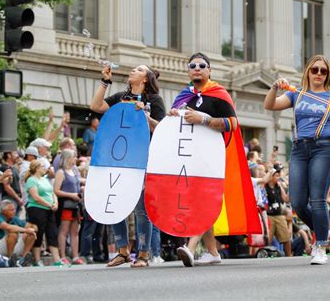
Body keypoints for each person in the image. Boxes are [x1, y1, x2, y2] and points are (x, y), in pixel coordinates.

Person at [264, 54, 330, 265]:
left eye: (323, 71)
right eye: (315, 69)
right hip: (300, 148)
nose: (319, 74)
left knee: (317, 198)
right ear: (308, 71)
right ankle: (321, 229)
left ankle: (320, 245)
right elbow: (270, 105)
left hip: (324, 147)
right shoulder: (297, 94)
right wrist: (275, 88)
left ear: (327, 75)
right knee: (298, 202)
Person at [90, 63, 165, 267]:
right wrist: (105, 82)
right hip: (118, 159)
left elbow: (162, 129)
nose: (133, 70)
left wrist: (145, 115)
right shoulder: (120, 97)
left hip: (142, 159)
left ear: (145, 79)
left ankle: (143, 254)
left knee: (141, 209)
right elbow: (95, 107)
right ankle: (122, 251)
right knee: (115, 203)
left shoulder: (154, 100)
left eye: (139, 70)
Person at [169, 52, 238, 267]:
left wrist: (204, 119)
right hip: (188, 157)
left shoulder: (219, 94)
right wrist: (172, 117)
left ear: (209, 70)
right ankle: (213, 252)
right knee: (197, 200)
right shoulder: (182, 97)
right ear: (188, 70)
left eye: (202, 65)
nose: (197, 68)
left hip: (211, 158)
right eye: (193, 65)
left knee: (200, 200)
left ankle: (190, 248)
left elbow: (233, 124)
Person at [24, 160, 63, 266]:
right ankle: (37, 260)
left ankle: (57, 260)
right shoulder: (31, 180)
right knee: (39, 233)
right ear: (36, 168)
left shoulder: (45, 179)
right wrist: (49, 205)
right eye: (42, 166)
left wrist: (55, 203)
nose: (45, 168)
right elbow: (35, 197)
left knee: (52, 233)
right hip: (37, 209)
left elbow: (52, 193)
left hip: (49, 209)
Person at [53, 149, 83, 265]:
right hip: (66, 204)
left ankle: (75, 256)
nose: (75, 159)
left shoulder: (74, 171)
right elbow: (56, 190)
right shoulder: (61, 172)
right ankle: (63, 256)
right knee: (64, 230)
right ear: (68, 158)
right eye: (74, 157)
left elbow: (78, 183)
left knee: (75, 231)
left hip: (76, 205)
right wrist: (71, 195)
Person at [0, 200, 36, 266]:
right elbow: (9, 227)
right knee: (13, 233)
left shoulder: (14, 218)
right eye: (11, 210)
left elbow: (32, 226)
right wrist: (26, 230)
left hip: (13, 246)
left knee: (31, 235)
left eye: (14, 209)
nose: (14, 212)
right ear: (4, 211)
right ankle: (10, 259)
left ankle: (23, 259)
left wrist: (33, 229)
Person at [265, 166, 291, 256]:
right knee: (268, 238)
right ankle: (266, 255)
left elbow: (286, 199)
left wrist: (290, 188)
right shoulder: (265, 186)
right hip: (269, 215)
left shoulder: (278, 186)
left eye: (278, 175)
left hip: (279, 215)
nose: (278, 177)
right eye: (276, 175)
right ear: (271, 176)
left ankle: (289, 256)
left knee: (286, 238)